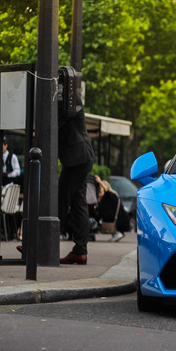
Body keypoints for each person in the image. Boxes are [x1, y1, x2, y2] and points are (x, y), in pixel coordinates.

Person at [58, 97, 95, 265]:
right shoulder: (68, 99)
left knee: (61, 199)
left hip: (77, 159)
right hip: (79, 158)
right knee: (79, 203)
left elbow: (54, 121)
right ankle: (80, 251)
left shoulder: (68, 99)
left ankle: (42, 244)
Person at [95, 176, 127, 242]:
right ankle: (115, 234)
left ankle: (117, 233)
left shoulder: (110, 195)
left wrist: (100, 182)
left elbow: (108, 192)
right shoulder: (104, 199)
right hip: (117, 219)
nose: (99, 191)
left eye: (101, 188)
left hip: (119, 220)